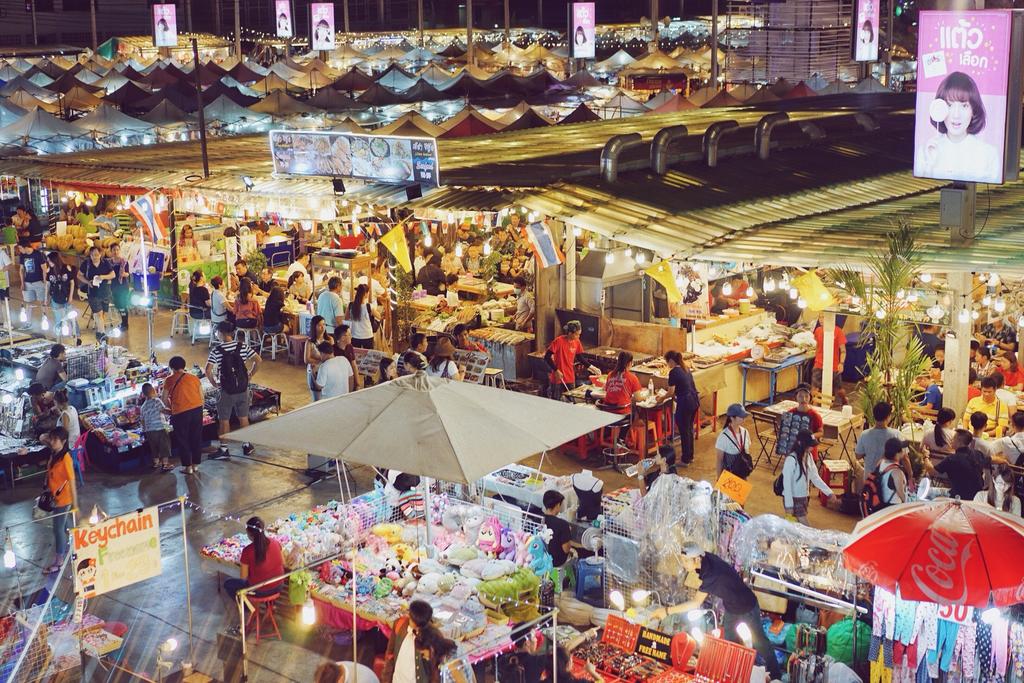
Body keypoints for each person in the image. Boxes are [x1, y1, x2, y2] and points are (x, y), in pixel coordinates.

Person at [677, 544, 782, 680]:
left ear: (697, 559)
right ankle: (735, 675)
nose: (683, 564)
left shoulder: (711, 575)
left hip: (747, 606)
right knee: (730, 645)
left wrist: (666, 611)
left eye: (686, 561)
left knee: (760, 643)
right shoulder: (706, 558)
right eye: (682, 560)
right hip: (731, 608)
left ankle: (776, 676)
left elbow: (696, 602)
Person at [918, 71, 1000, 183]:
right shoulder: (926, 151)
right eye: (949, 105)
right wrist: (929, 165)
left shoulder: (989, 154)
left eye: (964, 106)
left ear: (973, 110)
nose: (956, 115)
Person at [206, 322, 260, 439]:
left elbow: (208, 370)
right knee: (243, 418)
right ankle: (246, 444)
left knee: (224, 420)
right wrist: (250, 374)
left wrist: (214, 383)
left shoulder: (216, 350)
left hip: (226, 390)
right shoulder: (243, 346)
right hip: (242, 388)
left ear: (220, 333)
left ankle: (224, 448)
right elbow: (258, 360)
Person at [382, 600, 457, 683]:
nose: (418, 628)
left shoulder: (433, 636)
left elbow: (435, 669)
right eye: (415, 622)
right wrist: (386, 679)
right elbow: (390, 654)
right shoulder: (399, 624)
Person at [781, 430, 836, 525]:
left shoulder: (808, 456)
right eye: (810, 445)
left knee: (797, 529)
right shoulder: (791, 460)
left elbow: (815, 477)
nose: (812, 448)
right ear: (800, 443)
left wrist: (829, 493)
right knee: (804, 526)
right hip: (793, 498)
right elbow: (787, 485)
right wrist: (789, 506)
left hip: (804, 497)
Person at [42, 426, 77, 574]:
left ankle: (59, 560)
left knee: (58, 529)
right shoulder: (54, 454)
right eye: (52, 439)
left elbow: (72, 481)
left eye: (55, 439)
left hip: (64, 499)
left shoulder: (65, 458)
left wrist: (75, 504)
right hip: (54, 498)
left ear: (63, 441)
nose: (52, 441)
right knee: (63, 526)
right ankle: (75, 541)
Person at [224, 517, 285, 601]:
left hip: (259, 590)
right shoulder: (275, 542)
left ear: (250, 534)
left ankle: (246, 607)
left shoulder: (247, 551)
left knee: (228, 583)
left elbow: (243, 576)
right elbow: (283, 562)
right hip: (279, 585)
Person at [163, 356, 204, 474]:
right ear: (184, 366)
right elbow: (201, 396)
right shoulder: (194, 378)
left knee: (183, 439)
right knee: (196, 438)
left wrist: (171, 409)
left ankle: (188, 467)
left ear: (172, 368)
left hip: (180, 413)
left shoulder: (169, 379)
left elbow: (164, 399)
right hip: (197, 410)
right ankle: (196, 465)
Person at [666, 350, 699, 469]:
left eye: (667, 362)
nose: (667, 365)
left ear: (671, 361)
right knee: (689, 429)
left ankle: (685, 459)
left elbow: (670, 392)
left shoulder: (674, 372)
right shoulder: (686, 369)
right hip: (694, 401)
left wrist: (661, 398)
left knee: (684, 431)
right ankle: (690, 456)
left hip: (685, 403)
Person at [927, 437, 989, 501]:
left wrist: (925, 457)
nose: (951, 440)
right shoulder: (978, 454)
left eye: (953, 439)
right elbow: (992, 459)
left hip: (957, 497)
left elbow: (931, 472)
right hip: (978, 497)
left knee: (928, 493)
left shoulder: (951, 459)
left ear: (959, 443)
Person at [855, 401, 903, 483]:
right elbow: (904, 457)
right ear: (888, 416)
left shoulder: (865, 434)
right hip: (889, 479)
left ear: (873, 416)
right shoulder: (896, 434)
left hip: (869, 479)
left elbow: (858, 455)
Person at [78, 246, 114, 339]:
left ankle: (99, 332)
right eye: (93, 255)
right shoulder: (86, 264)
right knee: (98, 313)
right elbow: (79, 275)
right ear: (90, 255)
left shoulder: (105, 263)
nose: (95, 257)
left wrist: (103, 277)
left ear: (100, 254)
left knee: (102, 314)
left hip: (105, 291)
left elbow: (112, 275)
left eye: (97, 255)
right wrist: (87, 282)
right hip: (93, 292)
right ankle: (102, 334)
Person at [812, 313, 847, 402]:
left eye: (823, 317)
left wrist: (841, 363)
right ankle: (815, 409)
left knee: (839, 390)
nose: (821, 319)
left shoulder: (838, 331)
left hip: (834, 365)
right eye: (820, 317)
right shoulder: (818, 330)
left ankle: (845, 402)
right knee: (815, 389)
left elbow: (843, 350)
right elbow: (817, 346)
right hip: (819, 364)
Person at [545, 320, 583, 399]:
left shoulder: (577, 342)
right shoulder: (558, 341)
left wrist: (591, 367)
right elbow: (547, 357)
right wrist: (556, 370)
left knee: (571, 402)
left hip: (570, 377)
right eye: (577, 334)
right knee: (556, 402)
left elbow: (579, 357)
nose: (578, 337)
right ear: (570, 333)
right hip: (558, 378)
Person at [140, 382, 172, 471]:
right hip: (160, 428)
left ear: (143, 394)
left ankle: (156, 463)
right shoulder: (157, 401)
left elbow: (142, 420)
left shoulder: (143, 407)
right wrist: (173, 411)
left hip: (149, 431)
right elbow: (164, 410)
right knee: (164, 446)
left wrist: (144, 430)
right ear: (153, 390)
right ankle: (165, 464)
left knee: (154, 447)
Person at [715, 403, 751, 479]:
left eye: (744, 416)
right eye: (741, 417)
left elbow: (747, 452)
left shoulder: (745, 432)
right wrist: (718, 478)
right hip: (729, 477)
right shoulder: (723, 437)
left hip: (742, 475)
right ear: (732, 418)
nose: (744, 418)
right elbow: (719, 460)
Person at [18, 237, 47, 330]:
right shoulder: (22, 256)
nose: (19, 250)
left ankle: (44, 319)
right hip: (28, 282)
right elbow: (21, 269)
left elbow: (44, 268)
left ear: (25, 247)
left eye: (20, 248)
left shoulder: (38, 254)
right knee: (28, 302)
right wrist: (22, 282)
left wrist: (44, 280)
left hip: (38, 282)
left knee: (42, 302)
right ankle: (28, 322)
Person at [44, 251, 75, 338]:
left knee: (69, 315)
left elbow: (72, 282)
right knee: (58, 317)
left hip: (65, 295)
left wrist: (71, 296)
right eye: (48, 261)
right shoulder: (49, 270)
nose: (49, 263)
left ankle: (73, 333)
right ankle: (59, 334)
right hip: (55, 296)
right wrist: (46, 298)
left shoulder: (66, 268)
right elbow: (47, 284)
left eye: (50, 261)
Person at [543, 490, 574, 568]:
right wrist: (568, 533)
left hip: (541, 557)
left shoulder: (538, 519)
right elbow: (566, 549)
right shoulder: (563, 524)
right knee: (575, 554)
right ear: (557, 505)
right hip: (556, 561)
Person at [876, 438, 909, 507]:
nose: (904, 451)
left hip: (882, 504)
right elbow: (902, 495)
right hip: (894, 507)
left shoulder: (880, 463)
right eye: (902, 449)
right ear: (897, 453)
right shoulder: (896, 472)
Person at [305, 316, 331, 401]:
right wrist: (321, 361)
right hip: (314, 371)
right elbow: (307, 359)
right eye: (320, 325)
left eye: (324, 324)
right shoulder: (309, 342)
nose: (323, 327)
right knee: (317, 397)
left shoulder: (329, 340)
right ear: (314, 326)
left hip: (327, 370)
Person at [107, 242, 131, 331]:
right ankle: (123, 322)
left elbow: (128, 273)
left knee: (123, 305)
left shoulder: (124, 262)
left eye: (117, 250)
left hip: (123, 287)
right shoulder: (109, 262)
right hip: (114, 286)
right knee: (117, 305)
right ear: (111, 251)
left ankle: (125, 324)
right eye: (114, 250)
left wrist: (124, 274)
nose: (116, 252)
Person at [347, 283, 377, 349]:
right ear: (366, 293)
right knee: (368, 356)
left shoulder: (350, 305)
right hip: (367, 335)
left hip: (354, 336)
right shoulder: (369, 306)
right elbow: (379, 316)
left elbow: (346, 318)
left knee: (356, 356)